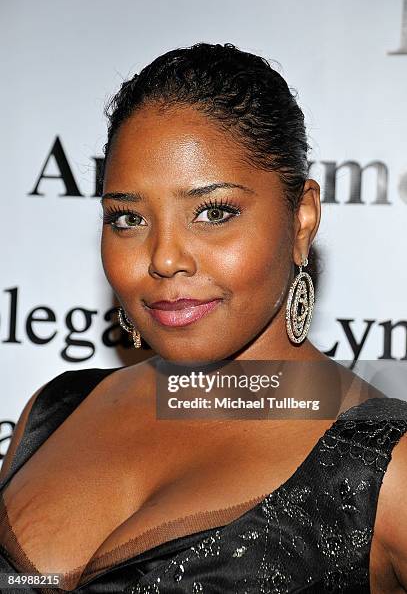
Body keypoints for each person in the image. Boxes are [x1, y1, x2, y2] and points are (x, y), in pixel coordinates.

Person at [0, 42, 406, 594]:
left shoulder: (387, 467)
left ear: (302, 219)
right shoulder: (53, 413)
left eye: (213, 212)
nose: (165, 257)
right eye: (127, 218)